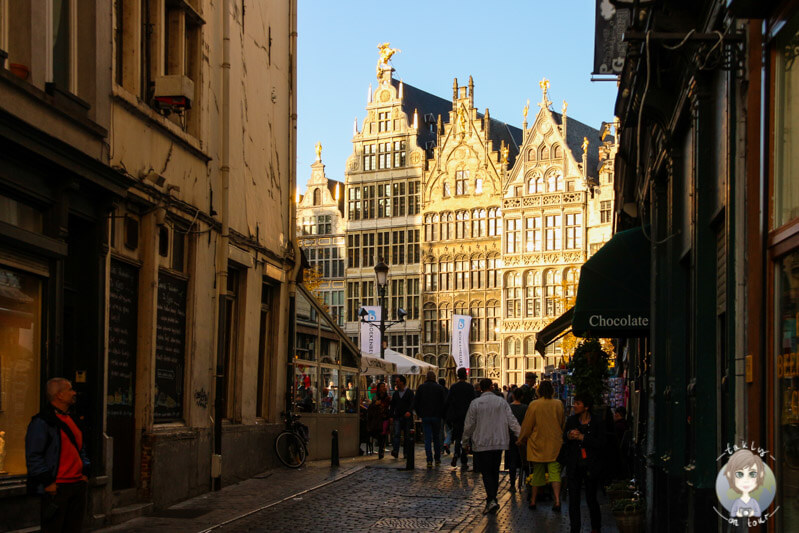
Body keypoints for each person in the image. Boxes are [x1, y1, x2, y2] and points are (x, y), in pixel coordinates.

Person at [25, 378, 90, 533]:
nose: (74, 393)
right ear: (59, 395)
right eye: (70, 389)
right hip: (57, 488)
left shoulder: (73, 420)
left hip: (76, 485)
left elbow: (81, 449)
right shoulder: (42, 422)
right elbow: (33, 455)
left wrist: (84, 472)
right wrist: (48, 482)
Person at [463, 379, 521, 515]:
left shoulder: (476, 403)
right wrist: (521, 435)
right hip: (499, 441)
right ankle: (492, 498)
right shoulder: (501, 402)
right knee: (494, 471)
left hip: (482, 442)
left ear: (481, 389)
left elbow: (469, 424)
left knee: (486, 472)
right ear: (491, 387)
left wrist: (465, 441)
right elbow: (511, 420)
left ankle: (491, 500)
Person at [517, 380, 565, 511]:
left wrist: (521, 439)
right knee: (555, 473)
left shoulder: (534, 405)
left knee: (537, 472)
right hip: (555, 443)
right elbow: (562, 423)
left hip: (537, 443)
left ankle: (533, 501)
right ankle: (556, 500)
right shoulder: (558, 404)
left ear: (539, 391)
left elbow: (527, 425)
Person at [562, 393, 605, 533]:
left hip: (590, 465)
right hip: (574, 464)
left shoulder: (597, 422)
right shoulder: (572, 420)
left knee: (591, 497)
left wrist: (582, 437)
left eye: (578, 403)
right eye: (575, 403)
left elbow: (600, 444)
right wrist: (569, 435)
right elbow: (565, 438)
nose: (575, 406)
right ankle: (575, 528)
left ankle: (595, 527)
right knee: (573, 498)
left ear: (586, 407)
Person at [413, 371, 447, 468]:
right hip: (437, 416)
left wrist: (420, 414)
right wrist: (442, 415)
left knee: (427, 439)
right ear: (434, 377)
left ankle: (429, 460)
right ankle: (437, 459)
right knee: (436, 438)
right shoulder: (440, 388)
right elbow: (444, 403)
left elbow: (416, 403)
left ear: (426, 378)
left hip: (425, 416)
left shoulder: (421, 388)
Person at [445, 367, 476, 470]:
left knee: (458, 438)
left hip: (456, 416)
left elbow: (448, 401)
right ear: (465, 375)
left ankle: (456, 454)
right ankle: (464, 460)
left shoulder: (453, 387)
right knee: (466, 438)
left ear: (458, 375)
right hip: (467, 416)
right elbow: (473, 401)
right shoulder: (470, 387)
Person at [505, 388, 529, 494]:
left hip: (510, 437)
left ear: (513, 396)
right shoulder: (526, 408)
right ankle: (527, 481)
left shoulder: (509, 407)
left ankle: (512, 484)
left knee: (512, 460)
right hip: (523, 437)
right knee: (525, 460)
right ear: (522, 397)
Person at [389, 375, 414, 459]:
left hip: (407, 418)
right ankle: (395, 451)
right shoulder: (396, 393)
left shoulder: (409, 392)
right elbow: (392, 405)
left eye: (397, 382)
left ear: (402, 382)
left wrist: (409, 411)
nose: (396, 383)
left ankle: (406, 453)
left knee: (407, 435)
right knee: (396, 434)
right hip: (397, 417)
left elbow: (412, 404)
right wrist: (391, 416)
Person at [366, 382, 391, 459]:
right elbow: (371, 408)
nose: (383, 388)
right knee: (378, 434)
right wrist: (375, 404)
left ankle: (381, 451)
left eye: (384, 386)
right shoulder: (375, 397)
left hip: (385, 418)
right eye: (382, 386)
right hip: (377, 419)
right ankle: (380, 449)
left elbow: (389, 407)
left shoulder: (387, 397)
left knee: (383, 435)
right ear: (379, 388)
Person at [438, 378, 452, 455]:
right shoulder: (447, 391)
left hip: (439, 414)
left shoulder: (437, 391)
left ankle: (441, 449)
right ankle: (446, 444)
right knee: (449, 431)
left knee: (440, 432)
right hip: (447, 415)